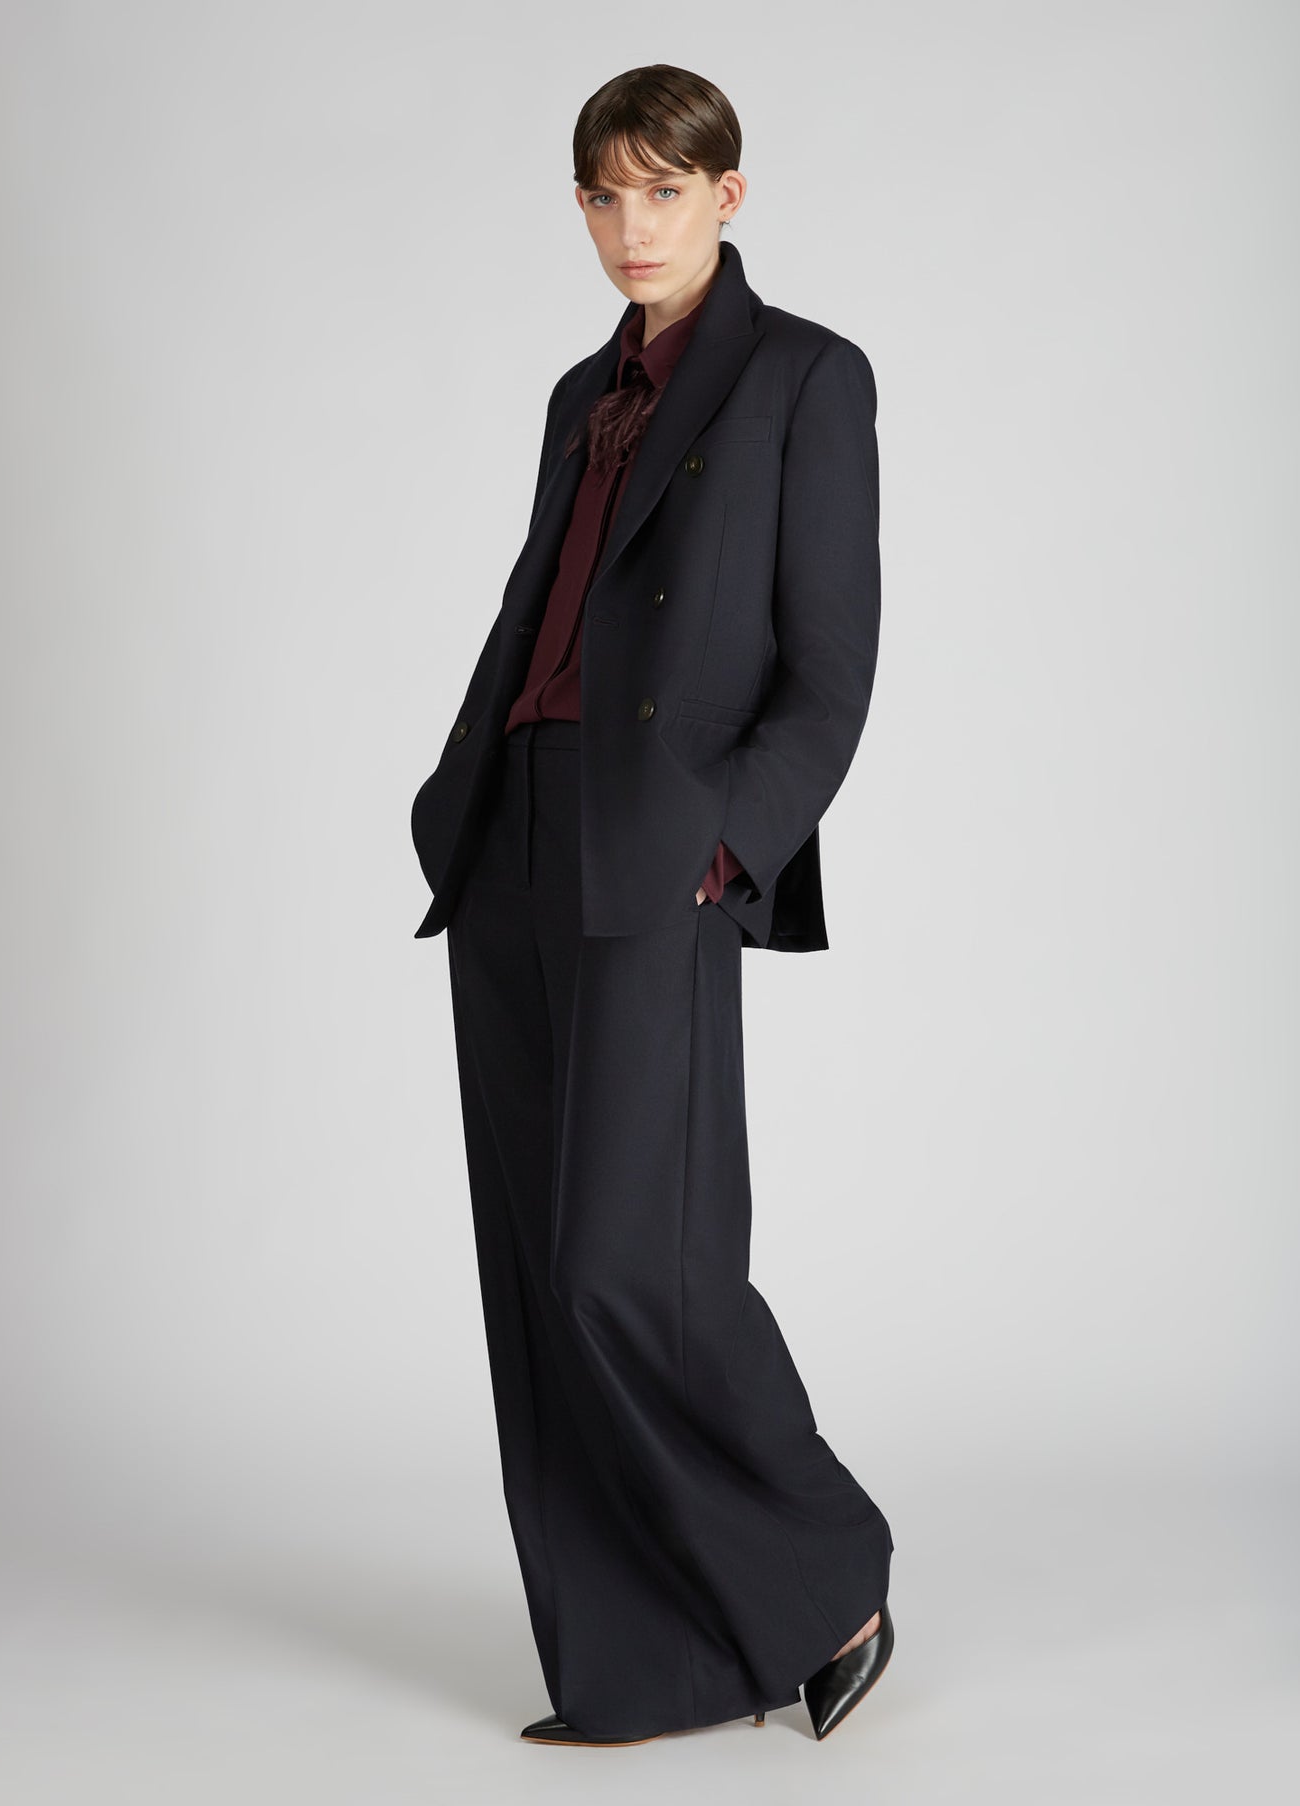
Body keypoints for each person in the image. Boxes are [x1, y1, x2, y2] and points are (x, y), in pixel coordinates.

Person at [409, 63, 895, 1747]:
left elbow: (830, 667)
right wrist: (453, 799)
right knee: (542, 1276)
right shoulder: (579, 392)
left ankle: (825, 1578)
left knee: (634, 1260)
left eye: (664, 191)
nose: (633, 225)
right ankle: (639, 1660)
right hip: (511, 836)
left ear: (727, 195)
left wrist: (726, 842)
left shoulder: (805, 376)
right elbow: (540, 606)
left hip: (656, 848)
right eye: (605, 196)